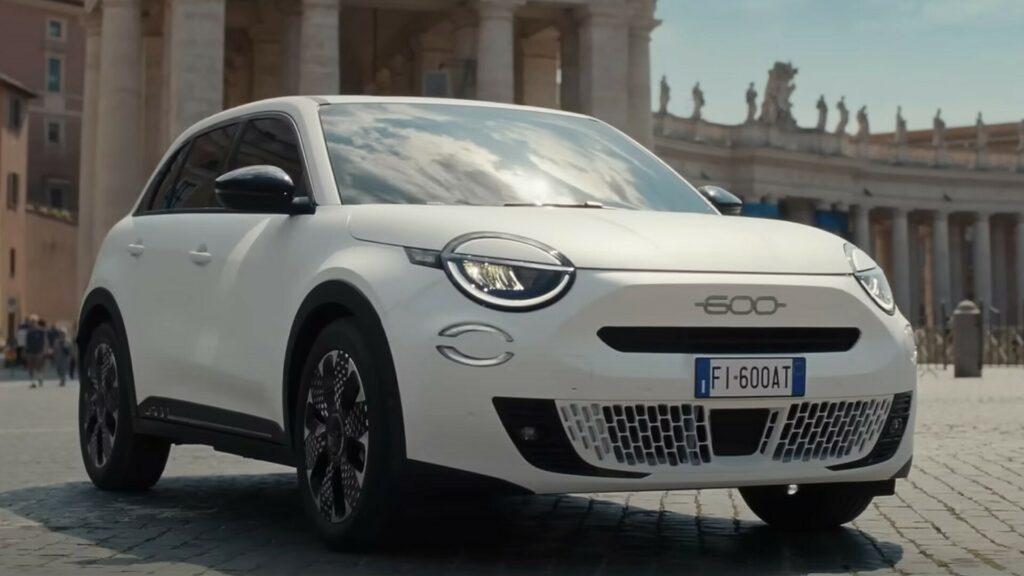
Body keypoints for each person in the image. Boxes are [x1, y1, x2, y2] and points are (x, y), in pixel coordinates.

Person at [25, 315, 46, 388]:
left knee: (38, 367)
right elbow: (27, 342)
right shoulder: (29, 331)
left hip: (39, 352)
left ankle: (40, 378)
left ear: (37, 322)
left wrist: (44, 351)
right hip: (30, 352)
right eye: (31, 322)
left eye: (34, 321)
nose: (32, 323)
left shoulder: (41, 331)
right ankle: (33, 381)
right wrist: (26, 351)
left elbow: (44, 341)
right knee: (31, 367)